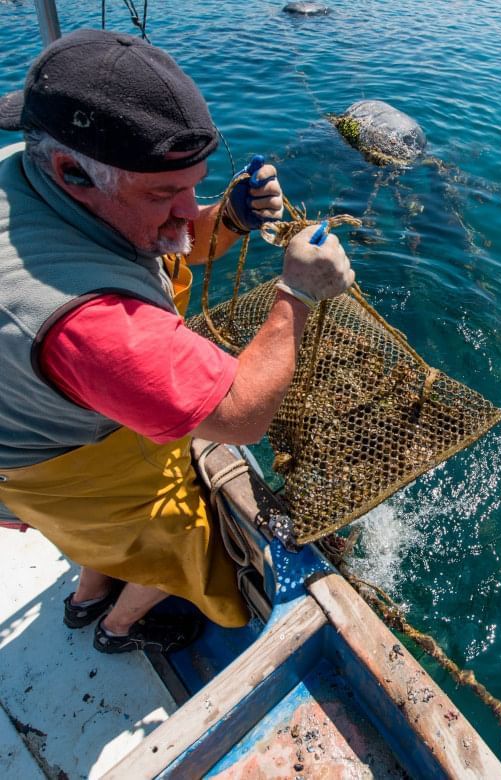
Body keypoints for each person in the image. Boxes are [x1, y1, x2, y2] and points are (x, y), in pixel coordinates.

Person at [0, 29, 354, 653]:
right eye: (165, 193)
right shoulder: (89, 322)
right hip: (79, 470)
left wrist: (234, 217)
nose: (190, 211)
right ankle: (117, 628)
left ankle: (85, 602)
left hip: (38, 462)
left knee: (105, 535)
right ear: (71, 168)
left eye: (196, 186)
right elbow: (242, 415)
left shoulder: (26, 174)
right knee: (178, 539)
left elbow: (156, 243)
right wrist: (296, 292)